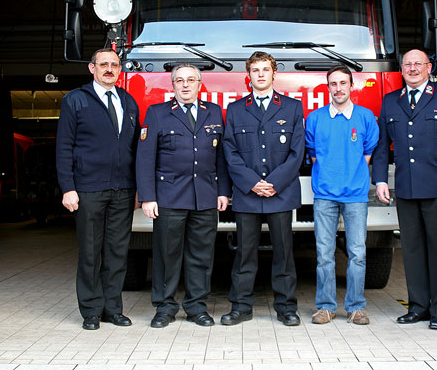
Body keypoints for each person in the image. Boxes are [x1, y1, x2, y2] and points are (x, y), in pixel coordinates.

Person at [372, 49, 437, 330]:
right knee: (412, 251)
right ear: (401, 69)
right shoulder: (391, 100)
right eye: (407, 64)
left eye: (418, 64)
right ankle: (418, 307)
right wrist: (381, 180)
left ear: (429, 68)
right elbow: (382, 146)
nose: (413, 68)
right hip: (407, 188)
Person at [136, 63, 231, 328]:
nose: (185, 85)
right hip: (169, 197)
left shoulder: (213, 112)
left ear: (200, 84)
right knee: (167, 255)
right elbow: (145, 158)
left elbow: (221, 157)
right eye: (179, 80)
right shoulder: (157, 113)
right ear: (173, 85)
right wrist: (147, 197)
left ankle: (197, 307)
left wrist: (223, 191)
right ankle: (165, 308)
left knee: (201, 256)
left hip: (205, 196)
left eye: (191, 80)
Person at [56, 48, 140, 330]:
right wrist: (68, 187)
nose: (109, 69)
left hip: (123, 190)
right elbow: (64, 147)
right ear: (92, 68)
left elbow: (135, 149)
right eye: (103, 64)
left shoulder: (128, 101)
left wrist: (138, 189)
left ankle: (113, 309)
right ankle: (91, 311)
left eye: (114, 65)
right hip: (88, 189)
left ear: (120, 70)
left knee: (117, 252)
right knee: (91, 253)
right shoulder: (75, 100)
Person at [221, 51, 305, 326]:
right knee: (244, 254)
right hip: (248, 194)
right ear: (248, 75)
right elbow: (230, 151)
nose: (260, 74)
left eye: (265, 69)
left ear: (274, 73)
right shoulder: (236, 109)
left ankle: (286, 307)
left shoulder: (292, 108)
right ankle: (241, 306)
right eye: (255, 70)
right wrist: (252, 183)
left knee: (284, 253)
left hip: (280, 194)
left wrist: (274, 184)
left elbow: (297, 152)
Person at [305, 65, 379, 325]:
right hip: (324, 194)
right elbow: (313, 153)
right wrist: (330, 174)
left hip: (356, 195)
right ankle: (325, 307)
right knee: (324, 253)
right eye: (333, 84)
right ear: (328, 87)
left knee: (357, 252)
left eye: (343, 83)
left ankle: (356, 307)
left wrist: (351, 175)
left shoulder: (365, 117)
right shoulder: (315, 118)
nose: (338, 88)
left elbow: (368, 152)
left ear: (351, 85)